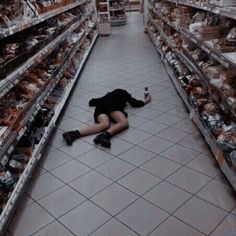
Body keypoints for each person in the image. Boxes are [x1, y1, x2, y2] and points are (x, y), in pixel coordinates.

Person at [62, 88, 151, 147]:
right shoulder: (123, 93)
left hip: (101, 107)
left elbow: (92, 102)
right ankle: (105, 136)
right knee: (124, 123)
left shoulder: (108, 95)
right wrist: (146, 101)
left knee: (104, 124)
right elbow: (135, 103)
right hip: (112, 107)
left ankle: (72, 134)